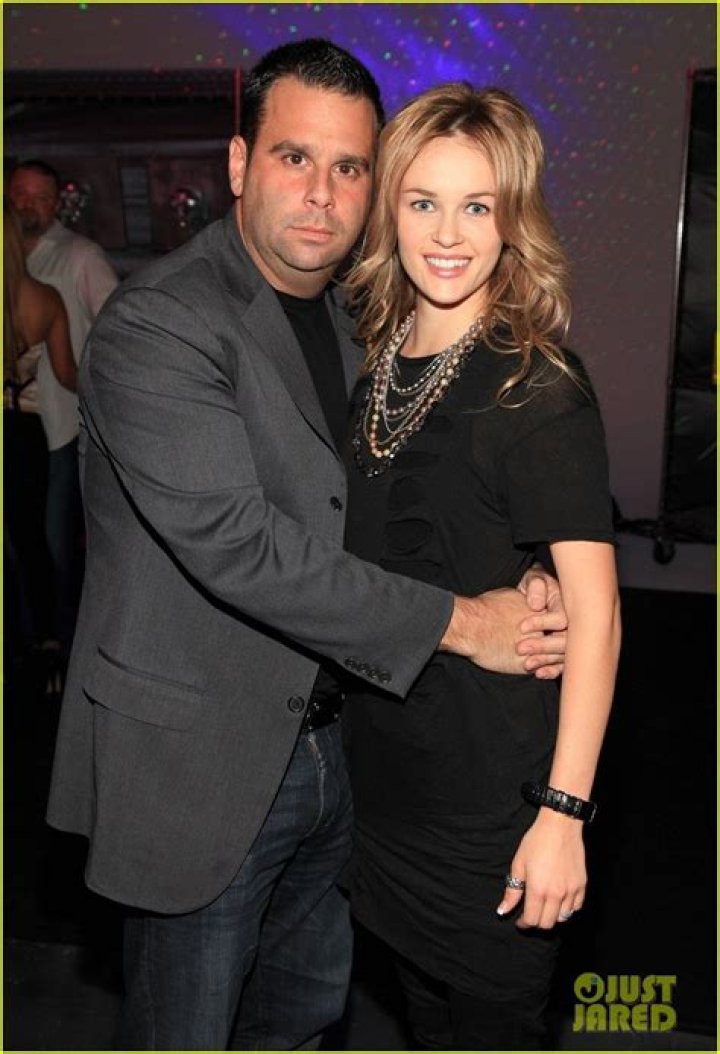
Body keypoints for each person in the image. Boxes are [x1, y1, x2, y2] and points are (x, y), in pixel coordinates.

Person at [47, 41, 568, 1051]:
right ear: (240, 164)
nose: (323, 193)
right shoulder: (160, 324)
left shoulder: (353, 319)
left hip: (342, 748)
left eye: (350, 166)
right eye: (295, 157)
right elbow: (241, 548)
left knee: (300, 1020)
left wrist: (523, 560)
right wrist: (470, 623)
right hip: (202, 768)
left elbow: (396, 499)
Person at [341, 82, 622, 1050]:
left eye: (477, 206)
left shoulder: (537, 383)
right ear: (391, 208)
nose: (448, 234)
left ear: (513, 220)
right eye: (424, 201)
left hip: (492, 806)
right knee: (424, 1019)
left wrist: (563, 815)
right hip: (385, 786)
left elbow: (597, 616)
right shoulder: (373, 361)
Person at [7, 160, 118, 666]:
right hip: (29, 425)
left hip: (58, 427)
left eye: (38, 196)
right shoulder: (18, 264)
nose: (26, 204)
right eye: (19, 194)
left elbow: (118, 333)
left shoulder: (80, 255)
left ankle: (58, 647)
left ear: (57, 203)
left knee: (51, 543)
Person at [4, 198, 76, 670]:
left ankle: (12, 640)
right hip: (24, 430)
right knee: (32, 539)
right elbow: (68, 374)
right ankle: (49, 639)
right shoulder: (44, 298)